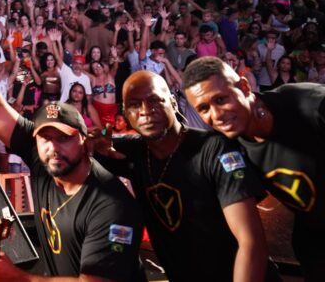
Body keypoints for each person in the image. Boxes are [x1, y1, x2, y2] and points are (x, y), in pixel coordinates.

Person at [0, 8, 144, 281]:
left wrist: (17, 278)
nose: (53, 147)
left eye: (64, 138)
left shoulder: (111, 205)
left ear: (84, 141)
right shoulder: (42, 159)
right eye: (45, 138)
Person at [96, 70, 273, 282]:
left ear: (172, 102)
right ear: (125, 114)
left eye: (154, 100)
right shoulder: (131, 151)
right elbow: (72, 151)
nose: (145, 111)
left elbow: (251, 241)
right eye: (134, 105)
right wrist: (95, 141)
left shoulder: (214, 149)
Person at [183, 57, 325, 279]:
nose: (217, 115)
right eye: (203, 108)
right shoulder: (228, 146)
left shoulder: (311, 104)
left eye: (221, 99)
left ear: (244, 86)